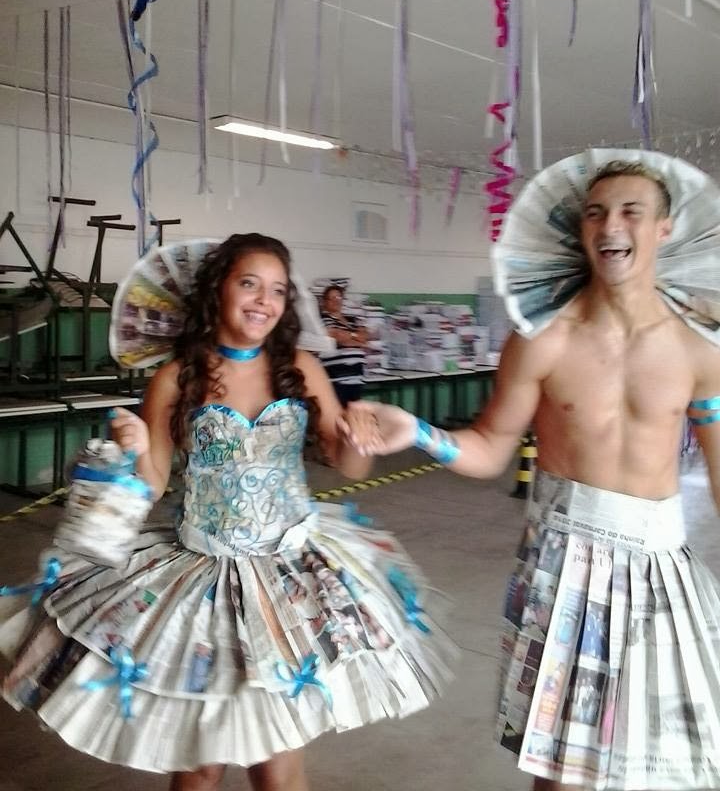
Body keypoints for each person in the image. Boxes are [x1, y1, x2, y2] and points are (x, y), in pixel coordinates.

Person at [0, 233, 454, 790]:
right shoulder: (177, 377)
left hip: (289, 578)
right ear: (218, 290)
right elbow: (154, 482)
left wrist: (360, 435)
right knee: (201, 764)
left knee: (277, 765)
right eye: (250, 284)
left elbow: (349, 466)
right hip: (202, 578)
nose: (264, 301)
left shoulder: (301, 368)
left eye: (278, 291)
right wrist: (135, 446)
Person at [351, 157, 720, 790]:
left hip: (661, 567)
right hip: (565, 567)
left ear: (663, 229)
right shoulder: (543, 340)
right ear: (582, 231)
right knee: (561, 768)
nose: (612, 225)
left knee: (657, 760)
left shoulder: (699, 349)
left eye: (631, 211)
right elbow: (491, 448)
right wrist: (419, 432)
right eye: (596, 213)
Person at [318, 285, 368, 406]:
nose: (336, 301)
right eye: (331, 298)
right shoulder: (323, 319)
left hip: (356, 377)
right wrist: (355, 337)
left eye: (338, 297)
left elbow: (365, 338)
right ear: (325, 302)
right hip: (337, 378)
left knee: (354, 412)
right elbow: (336, 337)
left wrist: (349, 337)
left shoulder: (352, 319)